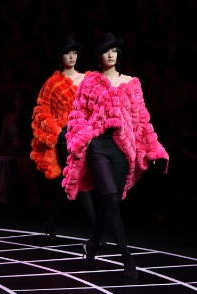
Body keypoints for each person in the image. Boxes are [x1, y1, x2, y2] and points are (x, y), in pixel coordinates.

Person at [62, 32, 169, 279]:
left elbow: (142, 120)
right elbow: (78, 114)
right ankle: (127, 260)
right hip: (98, 146)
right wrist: (82, 140)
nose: (111, 54)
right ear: (98, 57)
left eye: (114, 50)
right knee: (110, 201)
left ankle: (90, 248)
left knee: (111, 203)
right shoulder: (90, 82)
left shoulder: (132, 83)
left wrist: (153, 149)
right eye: (105, 50)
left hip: (123, 149)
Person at [30, 36, 107, 246]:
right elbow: (41, 112)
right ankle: (96, 231)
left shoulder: (86, 78)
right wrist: (58, 132)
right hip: (65, 137)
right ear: (59, 57)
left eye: (74, 52)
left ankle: (51, 222)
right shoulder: (52, 83)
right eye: (67, 53)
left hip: (84, 135)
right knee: (79, 177)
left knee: (69, 183)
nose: (72, 57)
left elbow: (97, 104)